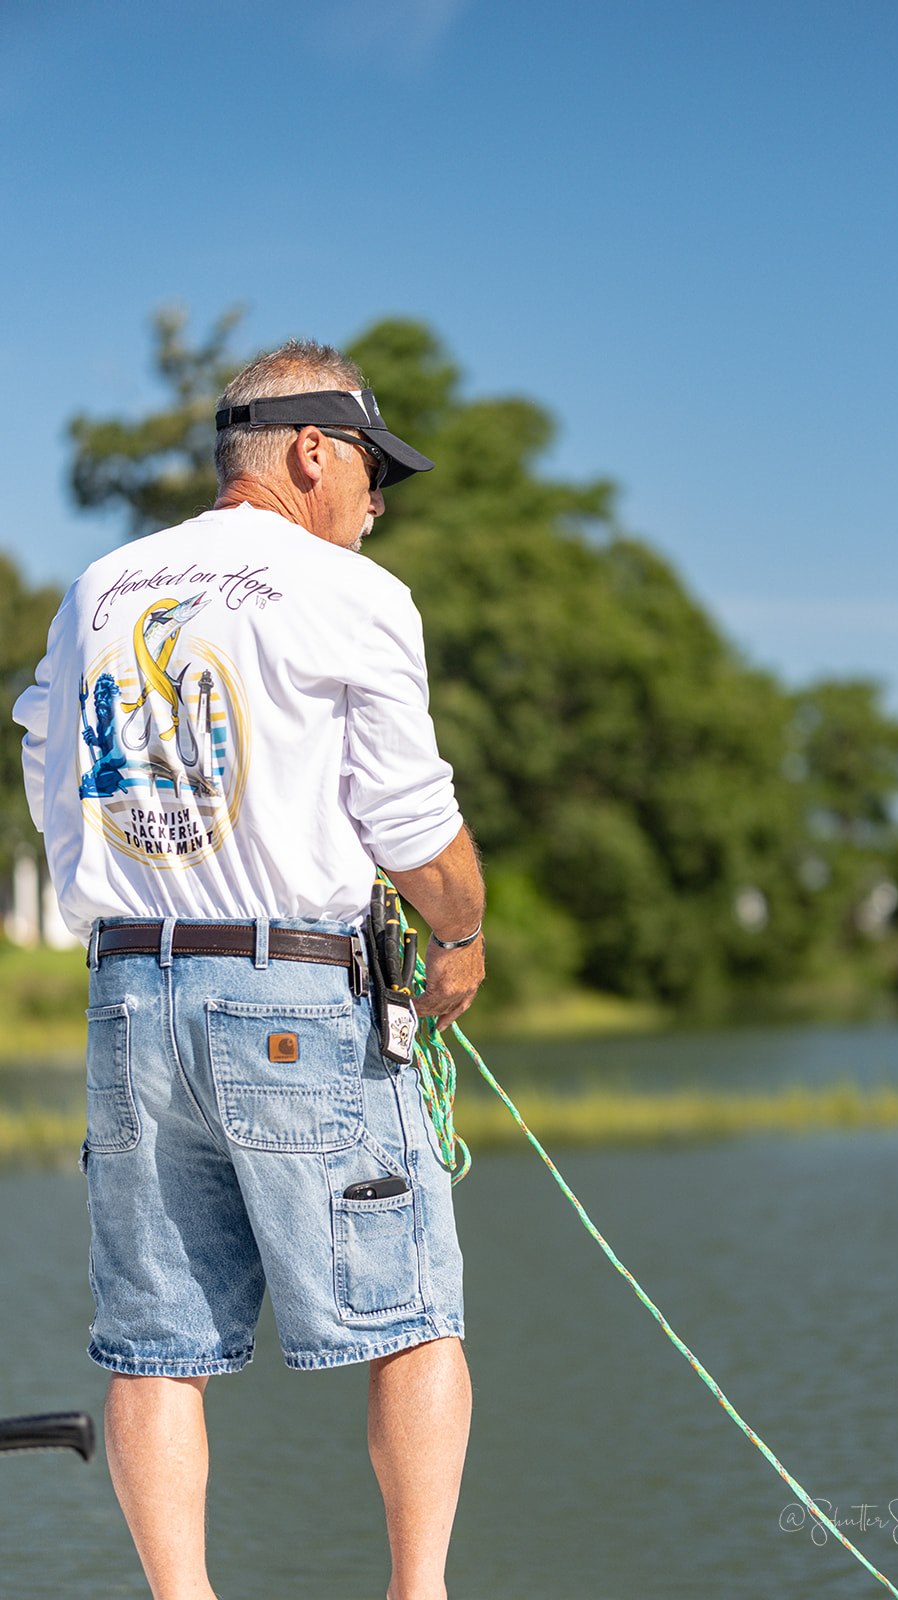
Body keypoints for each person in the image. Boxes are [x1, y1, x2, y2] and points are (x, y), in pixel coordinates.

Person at [13, 339, 485, 1600]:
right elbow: (411, 822)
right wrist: (458, 935)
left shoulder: (102, 584)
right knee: (411, 1312)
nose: (377, 503)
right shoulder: (350, 591)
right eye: (374, 471)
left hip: (128, 994)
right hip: (288, 991)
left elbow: (44, 744)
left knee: (156, 1342)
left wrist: (106, 885)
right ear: (312, 452)